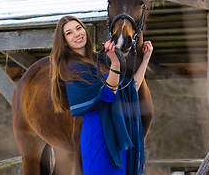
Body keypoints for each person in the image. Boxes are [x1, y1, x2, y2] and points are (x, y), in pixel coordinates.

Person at [50, 15, 153, 175]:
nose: (76, 34)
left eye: (78, 28)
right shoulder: (72, 68)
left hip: (117, 133)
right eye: (69, 33)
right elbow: (109, 95)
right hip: (97, 135)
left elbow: (130, 89)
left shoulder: (101, 60)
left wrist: (145, 59)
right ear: (64, 41)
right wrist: (116, 64)